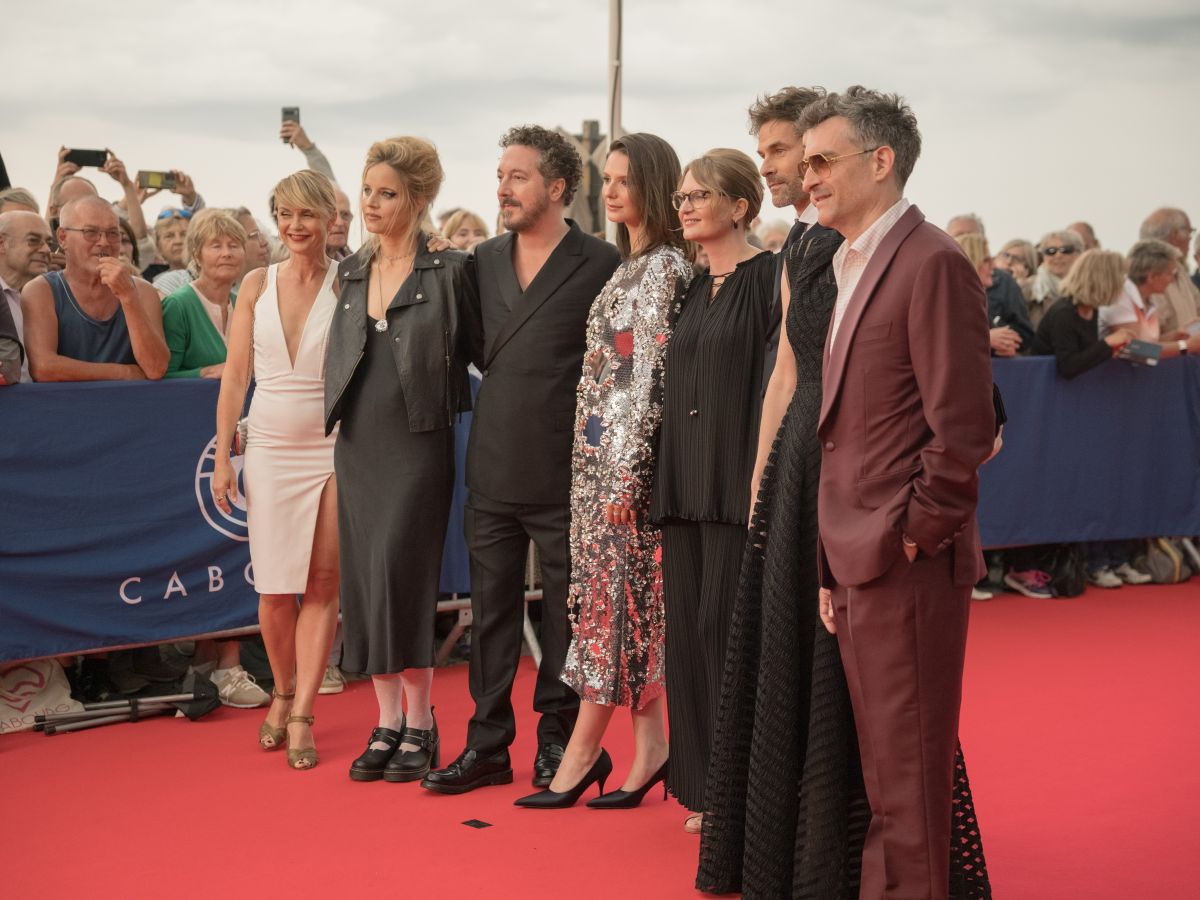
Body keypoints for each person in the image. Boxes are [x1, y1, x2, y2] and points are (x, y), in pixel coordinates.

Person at [799, 86, 995, 899]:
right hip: (857, 555)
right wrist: (833, 559)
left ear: (880, 162)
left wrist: (910, 534)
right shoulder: (851, 263)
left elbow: (963, 430)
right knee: (886, 779)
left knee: (907, 783)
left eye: (821, 160)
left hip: (902, 560)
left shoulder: (932, 261)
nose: (807, 178)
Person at [421, 125, 620, 796]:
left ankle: (558, 741)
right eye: (500, 175)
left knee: (566, 611)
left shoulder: (600, 262)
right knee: (493, 608)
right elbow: (477, 351)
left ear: (557, 187)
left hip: (569, 471)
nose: (502, 187)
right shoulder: (479, 261)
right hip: (495, 462)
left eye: (519, 176)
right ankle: (486, 746)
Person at [512, 133, 692, 809]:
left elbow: (644, 380)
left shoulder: (665, 269)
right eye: (606, 180)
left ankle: (583, 752)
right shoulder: (629, 266)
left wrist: (626, 474)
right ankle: (650, 750)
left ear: (654, 186)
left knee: (611, 609)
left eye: (623, 180)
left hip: (623, 474)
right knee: (627, 610)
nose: (610, 192)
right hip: (595, 467)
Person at [324, 137, 481, 783]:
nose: (371, 204)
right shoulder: (352, 271)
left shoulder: (450, 271)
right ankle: (386, 720)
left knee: (403, 575)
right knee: (364, 580)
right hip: (359, 442)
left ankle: (422, 720)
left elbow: (477, 351)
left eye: (387, 193)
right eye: (367, 191)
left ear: (418, 201)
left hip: (419, 440)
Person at [647, 148, 773, 834]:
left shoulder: (770, 279)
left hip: (734, 482)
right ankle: (703, 786)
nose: (686, 205)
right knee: (689, 638)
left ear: (740, 207)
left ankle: (743, 786)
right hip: (682, 481)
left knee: (728, 633)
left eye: (700, 195)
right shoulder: (691, 287)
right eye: (682, 197)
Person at [211, 169, 343, 771]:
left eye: (306, 215)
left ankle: (301, 711)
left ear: (328, 220)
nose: (294, 226)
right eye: (284, 214)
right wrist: (222, 454)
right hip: (265, 444)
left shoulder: (351, 282)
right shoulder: (255, 283)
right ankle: (282, 687)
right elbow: (236, 374)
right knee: (272, 588)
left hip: (332, 447)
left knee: (321, 584)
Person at [22, 196, 168, 382]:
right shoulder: (41, 291)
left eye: (113, 233)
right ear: (63, 237)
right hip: (64, 408)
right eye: (90, 232)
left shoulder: (142, 292)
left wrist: (128, 297)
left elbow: (155, 368)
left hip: (131, 407)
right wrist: (124, 373)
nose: (104, 242)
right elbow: (43, 368)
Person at [751, 87, 824, 396]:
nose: (765, 168)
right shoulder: (797, 237)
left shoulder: (841, 239)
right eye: (763, 155)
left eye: (778, 150)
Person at [163, 209, 248, 379]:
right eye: (216, 246)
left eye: (234, 245)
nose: (227, 253)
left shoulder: (243, 305)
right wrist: (206, 372)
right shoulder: (178, 305)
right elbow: (163, 376)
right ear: (197, 256)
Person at [1031, 248, 1133, 380]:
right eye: (1120, 276)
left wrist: (1110, 350)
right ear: (1105, 280)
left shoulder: (1092, 309)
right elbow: (1068, 366)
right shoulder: (1064, 313)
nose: (1123, 283)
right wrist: (1108, 343)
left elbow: (1086, 355)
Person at [946, 215, 1035, 349]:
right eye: (959, 235)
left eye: (971, 235)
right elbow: (937, 339)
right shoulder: (939, 289)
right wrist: (985, 338)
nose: (994, 266)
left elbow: (1024, 333)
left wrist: (1005, 343)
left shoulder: (1004, 281)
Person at [0, 210, 52, 382]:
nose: (46, 250)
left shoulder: (50, 296)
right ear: (2, 243)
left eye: (48, 242)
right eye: (33, 241)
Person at [955, 233, 1021, 356]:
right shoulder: (947, 303)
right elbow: (936, 342)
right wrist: (985, 339)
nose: (994, 266)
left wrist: (1003, 347)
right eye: (986, 260)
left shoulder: (978, 301)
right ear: (970, 262)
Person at [1137, 208, 1200, 336]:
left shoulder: (1179, 268)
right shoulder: (1145, 274)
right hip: (1173, 353)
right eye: (1189, 232)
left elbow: (1197, 306)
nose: (1189, 239)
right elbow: (1143, 346)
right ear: (1174, 236)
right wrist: (1183, 344)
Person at [1031, 229, 1084, 326]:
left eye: (1066, 250)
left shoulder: (1091, 287)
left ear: (1079, 254)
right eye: (1050, 251)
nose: (1058, 255)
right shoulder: (1027, 288)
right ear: (1043, 256)